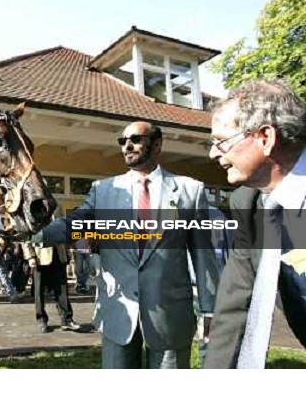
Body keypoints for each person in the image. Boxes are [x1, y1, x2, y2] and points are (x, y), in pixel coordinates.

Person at [35, 121, 219, 368]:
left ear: (157, 145)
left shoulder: (190, 190)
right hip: (118, 314)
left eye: (135, 139)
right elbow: (74, 224)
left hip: (171, 314)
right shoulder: (103, 190)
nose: (126, 146)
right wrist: (34, 235)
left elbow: (203, 255)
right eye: (122, 141)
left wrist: (210, 310)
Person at [205, 79, 306, 369]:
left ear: (265, 138)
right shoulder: (247, 204)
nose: (213, 154)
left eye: (221, 142)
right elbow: (235, 305)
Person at [23, 241, 81, 333]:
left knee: (62, 291)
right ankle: (41, 319)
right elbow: (26, 237)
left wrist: (68, 253)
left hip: (59, 256)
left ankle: (67, 319)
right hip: (40, 258)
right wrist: (30, 256)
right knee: (39, 291)